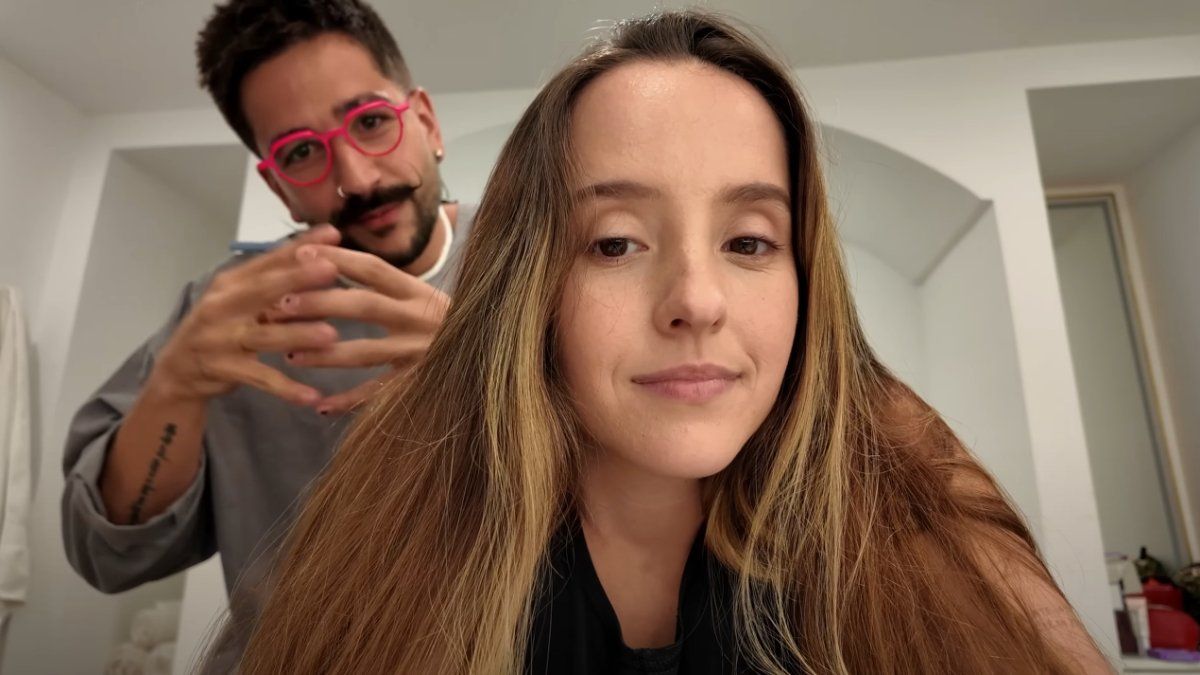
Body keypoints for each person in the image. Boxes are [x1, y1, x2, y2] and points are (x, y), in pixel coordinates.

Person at [221, 10, 1111, 674]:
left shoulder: (907, 488)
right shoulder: (396, 530)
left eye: (749, 242)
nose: (696, 302)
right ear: (531, 291)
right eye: (615, 244)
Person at [60, 0, 476, 597]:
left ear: (428, 124)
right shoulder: (224, 312)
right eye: (301, 153)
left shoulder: (539, 255)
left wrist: (485, 365)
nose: (356, 179)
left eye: (370, 121)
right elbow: (107, 554)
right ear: (278, 188)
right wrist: (174, 389)